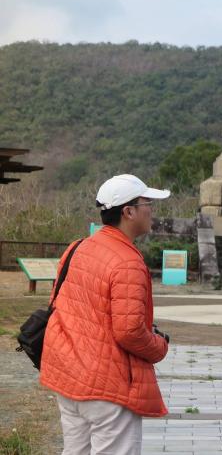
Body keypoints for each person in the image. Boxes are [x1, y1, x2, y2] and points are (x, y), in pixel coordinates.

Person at [39, 174, 171, 455]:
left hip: (69, 376)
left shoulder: (77, 247)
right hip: (109, 387)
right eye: (147, 203)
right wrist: (159, 346)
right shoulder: (127, 262)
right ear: (129, 212)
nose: (152, 210)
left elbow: (57, 304)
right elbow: (129, 331)